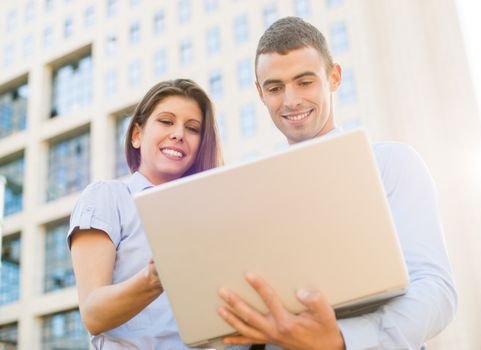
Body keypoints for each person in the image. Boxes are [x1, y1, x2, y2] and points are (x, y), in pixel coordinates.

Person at [216, 17, 458, 350]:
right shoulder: (246, 196)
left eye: (305, 82)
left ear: (334, 78)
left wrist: (341, 340)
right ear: (260, 93)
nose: (290, 101)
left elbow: (436, 291)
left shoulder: (391, 164)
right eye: (275, 88)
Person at [68, 79, 224, 349]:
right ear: (136, 135)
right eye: (166, 121)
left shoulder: (213, 213)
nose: (178, 134)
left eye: (192, 128)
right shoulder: (110, 198)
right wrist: (153, 279)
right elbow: (93, 313)